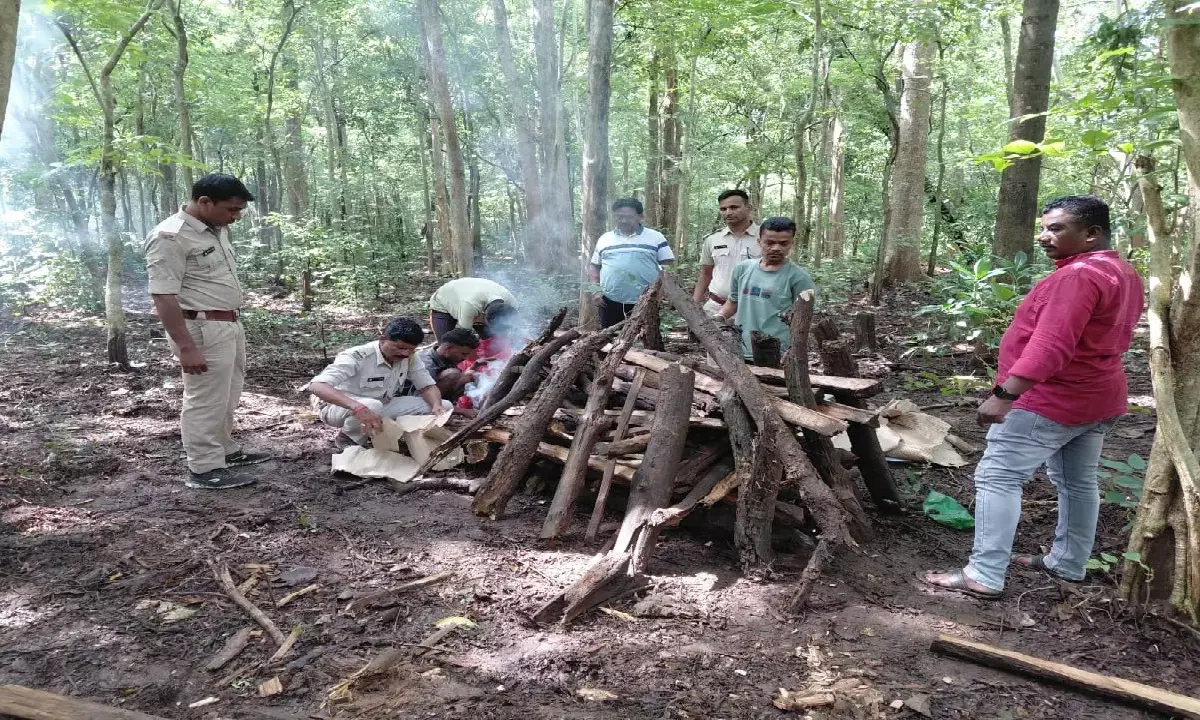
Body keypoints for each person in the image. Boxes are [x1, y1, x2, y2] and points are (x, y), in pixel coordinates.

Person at [923, 196, 1144, 599]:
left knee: (997, 477)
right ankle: (1068, 562)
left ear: (1091, 233)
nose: (1043, 237)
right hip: (1097, 398)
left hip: (1052, 401)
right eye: (1043, 227)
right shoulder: (1123, 271)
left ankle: (985, 574)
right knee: (1077, 481)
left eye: (1056, 228)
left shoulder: (1077, 277)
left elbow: (1051, 346)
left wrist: (1005, 394)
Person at [145, 173, 271, 490]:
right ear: (204, 202)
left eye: (239, 210)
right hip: (200, 327)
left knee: (228, 393)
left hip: (228, 322)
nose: (236, 217)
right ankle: (203, 468)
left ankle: (224, 450)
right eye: (231, 209)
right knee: (205, 399)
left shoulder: (217, 229)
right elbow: (163, 295)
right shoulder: (170, 237)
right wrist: (186, 347)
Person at [309, 317, 451, 448]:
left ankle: (402, 436)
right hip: (338, 408)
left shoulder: (410, 358)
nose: (405, 354)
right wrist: (357, 407)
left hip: (381, 403)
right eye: (400, 347)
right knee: (371, 405)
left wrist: (436, 405)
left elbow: (427, 386)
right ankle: (347, 439)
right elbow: (317, 386)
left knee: (445, 405)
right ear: (383, 339)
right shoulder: (358, 356)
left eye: (411, 349)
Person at [717, 217, 816, 361]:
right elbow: (733, 302)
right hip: (739, 348)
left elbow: (804, 320)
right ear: (759, 241)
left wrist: (793, 351)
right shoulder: (742, 269)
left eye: (783, 243)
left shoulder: (799, 278)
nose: (776, 248)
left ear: (791, 244)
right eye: (769, 242)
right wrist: (717, 318)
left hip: (776, 353)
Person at [589, 198, 675, 328]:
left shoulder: (656, 237)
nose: (623, 220)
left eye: (629, 217)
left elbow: (666, 268)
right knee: (608, 341)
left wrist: (659, 294)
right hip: (609, 302)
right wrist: (595, 291)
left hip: (645, 301)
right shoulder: (605, 239)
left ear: (640, 216)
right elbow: (594, 267)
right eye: (619, 217)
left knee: (644, 340)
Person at [692, 190, 761, 316]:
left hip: (753, 309)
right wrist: (693, 306)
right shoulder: (712, 240)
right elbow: (706, 274)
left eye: (734, 207)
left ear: (748, 208)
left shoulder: (765, 237)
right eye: (723, 209)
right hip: (715, 307)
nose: (728, 212)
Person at [401, 327, 481, 402]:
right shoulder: (427, 364)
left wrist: (474, 366)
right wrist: (462, 411)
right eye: (463, 354)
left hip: (432, 397)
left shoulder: (447, 359)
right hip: (410, 400)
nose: (465, 358)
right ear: (448, 348)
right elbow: (418, 398)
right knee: (453, 374)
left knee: (466, 377)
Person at [428, 277, 518, 342]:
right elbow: (463, 336)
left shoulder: (512, 303)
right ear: (485, 319)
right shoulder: (470, 305)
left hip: (473, 297)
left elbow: (513, 329)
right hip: (444, 302)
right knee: (447, 343)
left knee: (493, 341)